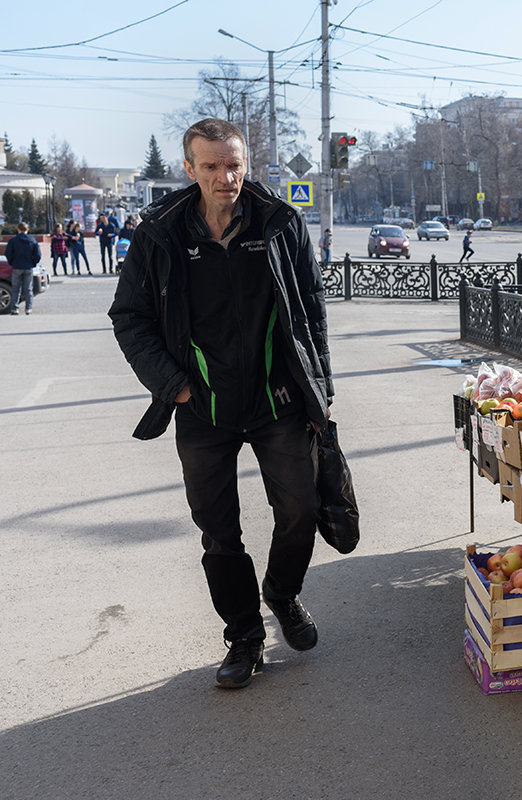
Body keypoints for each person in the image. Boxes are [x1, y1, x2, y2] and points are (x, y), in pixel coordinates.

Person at [109, 117, 334, 690]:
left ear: (246, 163)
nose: (224, 176)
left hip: (275, 399)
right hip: (202, 407)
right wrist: (174, 385)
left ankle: (281, 595)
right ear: (189, 169)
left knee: (302, 509)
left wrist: (319, 391)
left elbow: (310, 312)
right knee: (218, 530)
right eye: (210, 166)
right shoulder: (161, 232)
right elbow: (129, 318)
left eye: (233, 164)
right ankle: (244, 635)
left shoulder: (281, 224)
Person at [5, 222, 41, 314]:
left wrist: (12, 262)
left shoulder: (13, 241)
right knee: (28, 288)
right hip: (28, 267)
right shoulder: (32, 240)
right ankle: (28, 308)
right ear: (27, 230)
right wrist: (33, 263)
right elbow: (38, 255)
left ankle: (14, 308)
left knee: (16, 288)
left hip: (17, 266)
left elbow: (8, 253)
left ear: (18, 230)